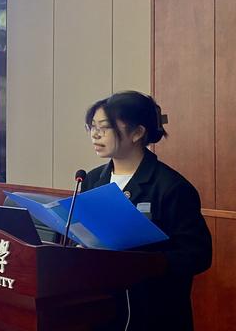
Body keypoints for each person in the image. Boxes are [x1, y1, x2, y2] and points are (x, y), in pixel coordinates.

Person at [82, 91, 212, 331]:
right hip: (103, 305)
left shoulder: (171, 187)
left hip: (154, 311)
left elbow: (197, 255)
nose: (95, 134)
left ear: (137, 133)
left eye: (105, 127)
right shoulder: (92, 179)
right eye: (92, 127)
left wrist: (142, 262)